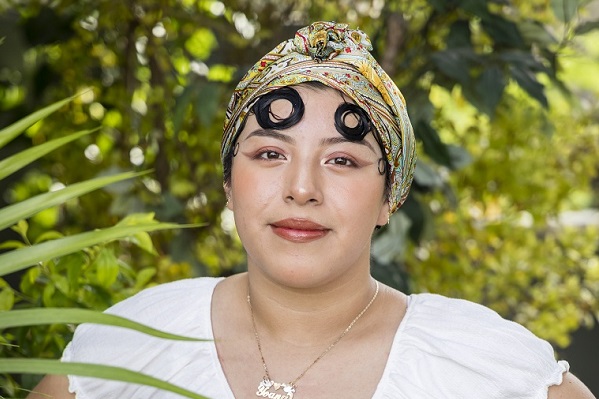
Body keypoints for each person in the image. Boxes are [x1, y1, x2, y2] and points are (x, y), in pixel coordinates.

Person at [28, 21, 595, 399]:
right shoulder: (135, 343)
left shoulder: (482, 367)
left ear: (390, 194)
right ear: (229, 182)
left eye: (342, 160)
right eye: (270, 153)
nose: (302, 189)